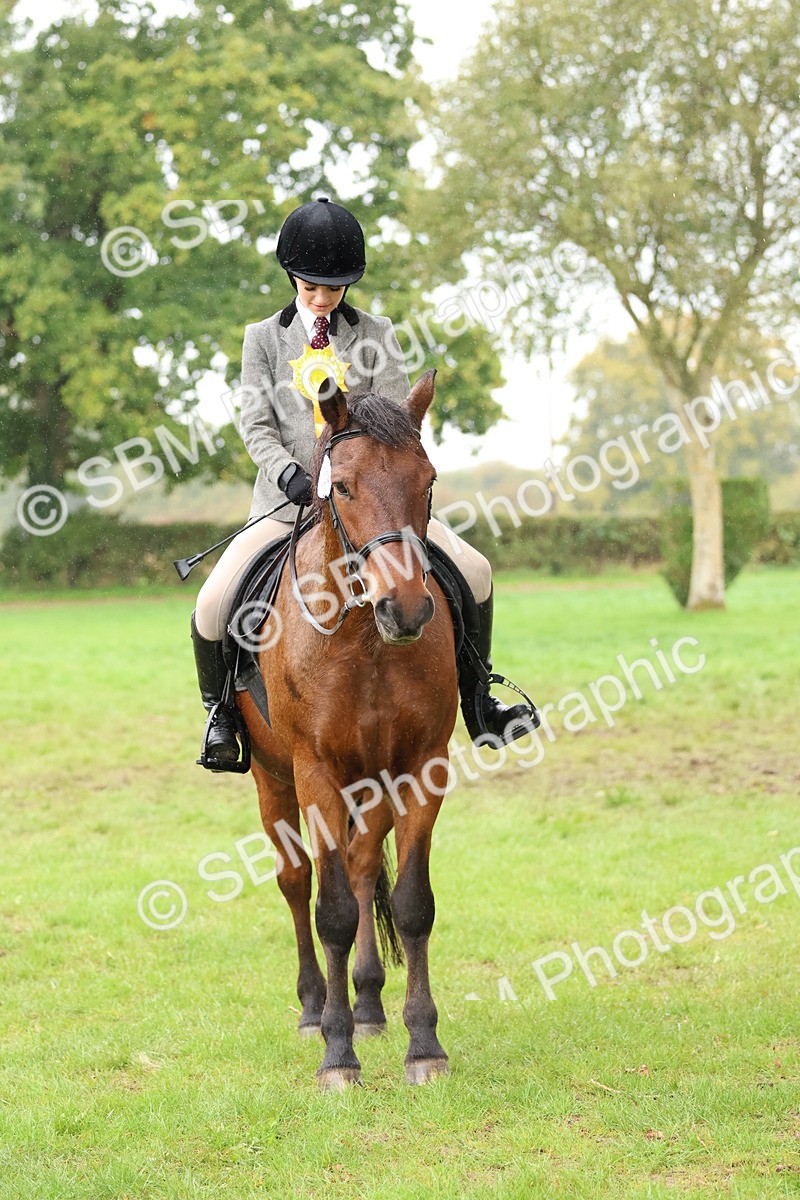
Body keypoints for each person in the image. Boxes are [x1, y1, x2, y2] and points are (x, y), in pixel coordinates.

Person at [191, 196, 537, 770]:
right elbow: (256, 423)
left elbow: (399, 417)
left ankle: (480, 702)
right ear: (291, 277)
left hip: (375, 508)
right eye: (311, 287)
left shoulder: (377, 333)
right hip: (287, 505)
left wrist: (358, 477)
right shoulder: (263, 339)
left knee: (475, 570)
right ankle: (222, 717)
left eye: (333, 288)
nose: (323, 299)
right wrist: (292, 475)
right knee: (212, 601)